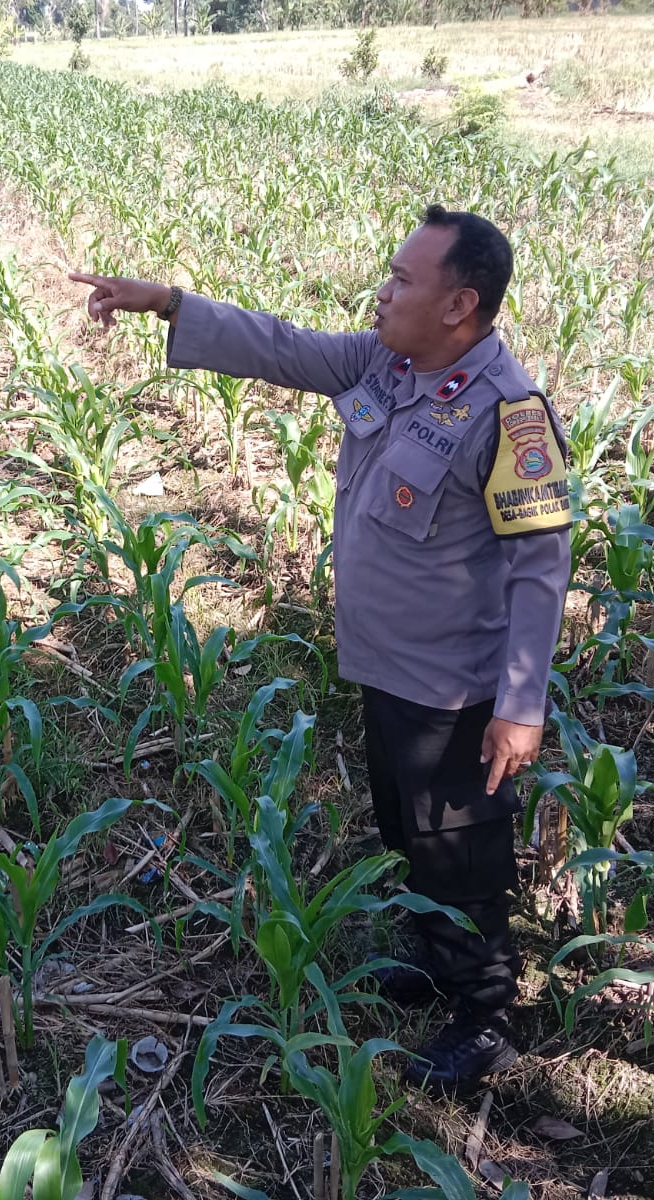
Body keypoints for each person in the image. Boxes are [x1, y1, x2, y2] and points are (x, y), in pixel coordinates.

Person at [70, 205, 572, 1093]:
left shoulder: (510, 413)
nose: (382, 294)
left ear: (460, 305)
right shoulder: (387, 360)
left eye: (403, 281)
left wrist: (520, 705)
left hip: (454, 688)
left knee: (457, 845)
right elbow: (282, 346)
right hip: (385, 666)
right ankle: (434, 956)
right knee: (406, 829)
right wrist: (167, 304)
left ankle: (485, 1014)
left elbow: (540, 566)